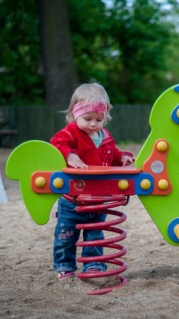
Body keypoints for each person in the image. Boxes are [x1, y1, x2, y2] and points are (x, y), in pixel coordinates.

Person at [50, 82, 135, 280]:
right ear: (74, 114)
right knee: (65, 236)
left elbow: (111, 153)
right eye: (87, 118)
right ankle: (65, 267)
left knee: (95, 236)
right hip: (73, 200)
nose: (93, 124)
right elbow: (56, 142)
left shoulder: (105, 136)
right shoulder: (71, 132)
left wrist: (122, 157)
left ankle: (93, 266)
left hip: (98, 199)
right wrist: (69, 155)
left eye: (99, 119)